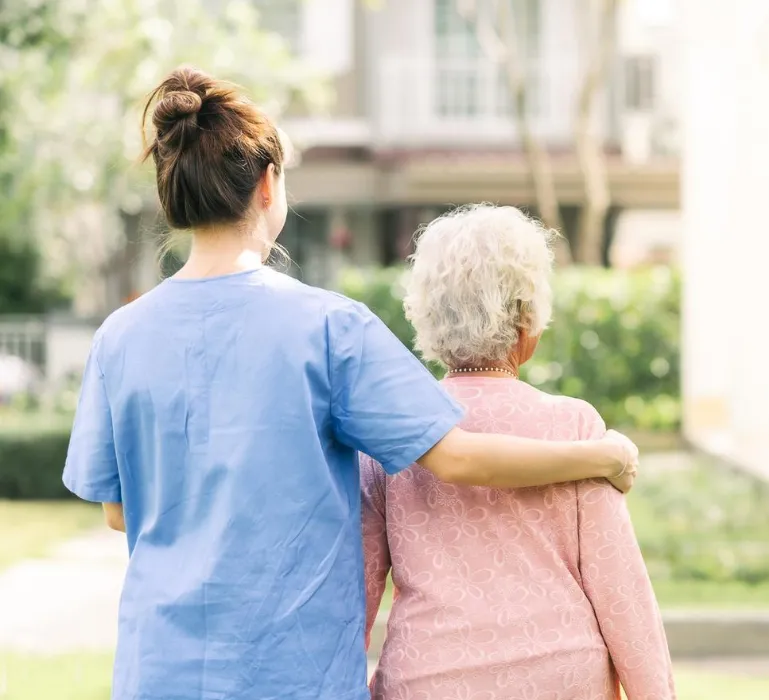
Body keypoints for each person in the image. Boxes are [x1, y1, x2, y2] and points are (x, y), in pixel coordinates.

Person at [61, 67, 640, 700]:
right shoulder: (329, 327)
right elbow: (459, 456)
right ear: (268, 184)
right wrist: (599, 455)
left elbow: (119, 512)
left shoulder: (118, 337)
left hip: (157, 672)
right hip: (291, 676)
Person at [362, 204, 675, 700]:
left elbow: (355, 594)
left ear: (426, 315)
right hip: (560, 676)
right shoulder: (574, 426)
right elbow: (623, 594)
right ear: (527, 317)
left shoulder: (389, 436)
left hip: (431, 679)